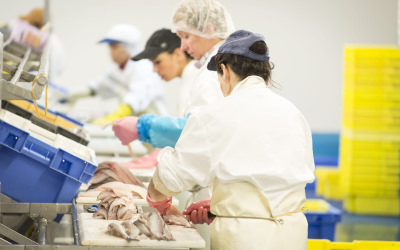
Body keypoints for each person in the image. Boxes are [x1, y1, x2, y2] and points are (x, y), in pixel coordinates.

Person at [145, 30, 315, 250]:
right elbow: (283, 177)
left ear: (224, 71)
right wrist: (224, 204)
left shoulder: (214, 115)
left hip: (244, 239)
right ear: (265, 74)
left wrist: (156, 199)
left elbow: (172, 177)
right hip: (293, 235)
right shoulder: (294, 114)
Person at [118, 28, 198, 169]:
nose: (154, 70)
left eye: (158, 62)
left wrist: (144, 128)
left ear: (178, 54)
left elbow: (191, 132)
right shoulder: (190, 77)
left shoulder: (194, 78)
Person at [61, 24, 166, 124]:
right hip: (138, 124)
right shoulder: (116, 70)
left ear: (128, 47)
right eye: (110, 47)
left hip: (155, 122)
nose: (110, 52)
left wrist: (114, 117)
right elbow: (98, 86)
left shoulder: (143, 66)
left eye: (114, 47)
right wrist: (70, 95)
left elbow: (136, 97)